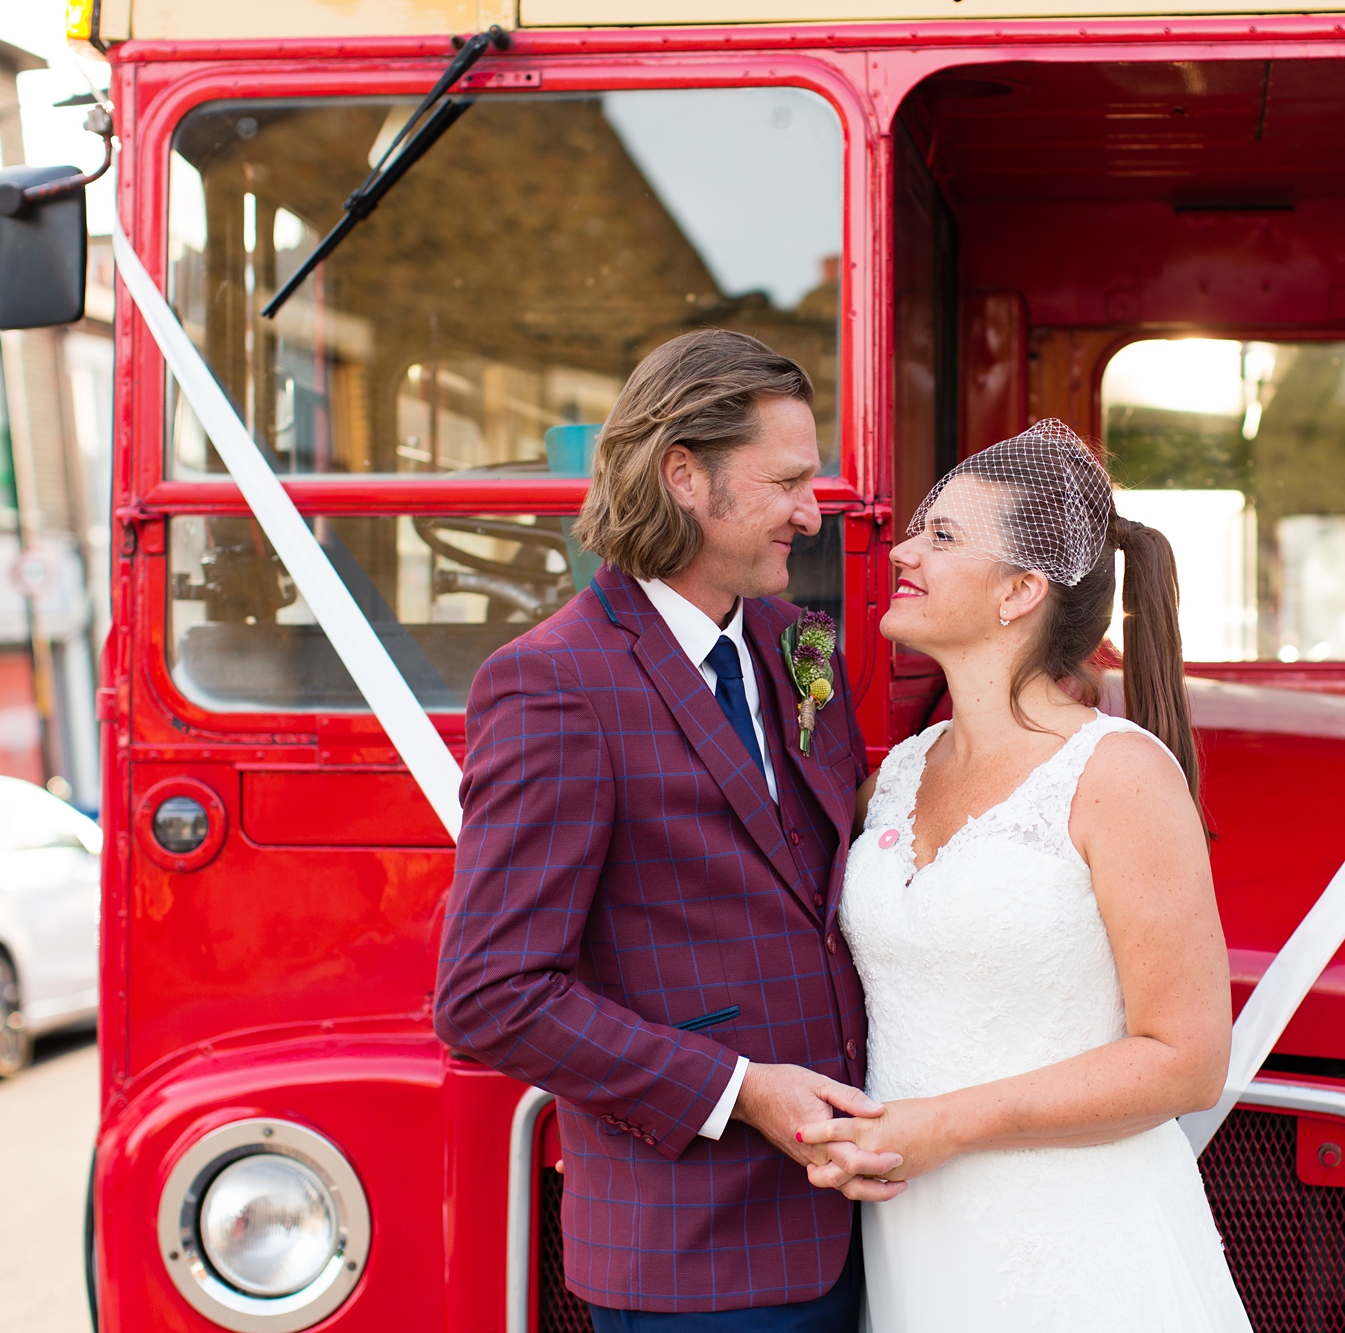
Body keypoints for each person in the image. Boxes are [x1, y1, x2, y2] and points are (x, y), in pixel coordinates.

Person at [434, 329, 898, 1332]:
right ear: (684, 474)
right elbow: (489, 996)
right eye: (782, 482)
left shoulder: (795, 642)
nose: (809, 513)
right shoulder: (553, 683)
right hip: (694, 1261)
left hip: (868, 1230)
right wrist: (740, 1090)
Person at [797, 420, 1251, 1332]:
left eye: (944, 536)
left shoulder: (1119, 773)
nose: (906, 550)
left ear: (1019, 592)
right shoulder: (896, 774)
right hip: (919, 1240)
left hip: (1080, 1253)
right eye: (919, 527)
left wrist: (945, 1125)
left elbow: (1189, 1059)